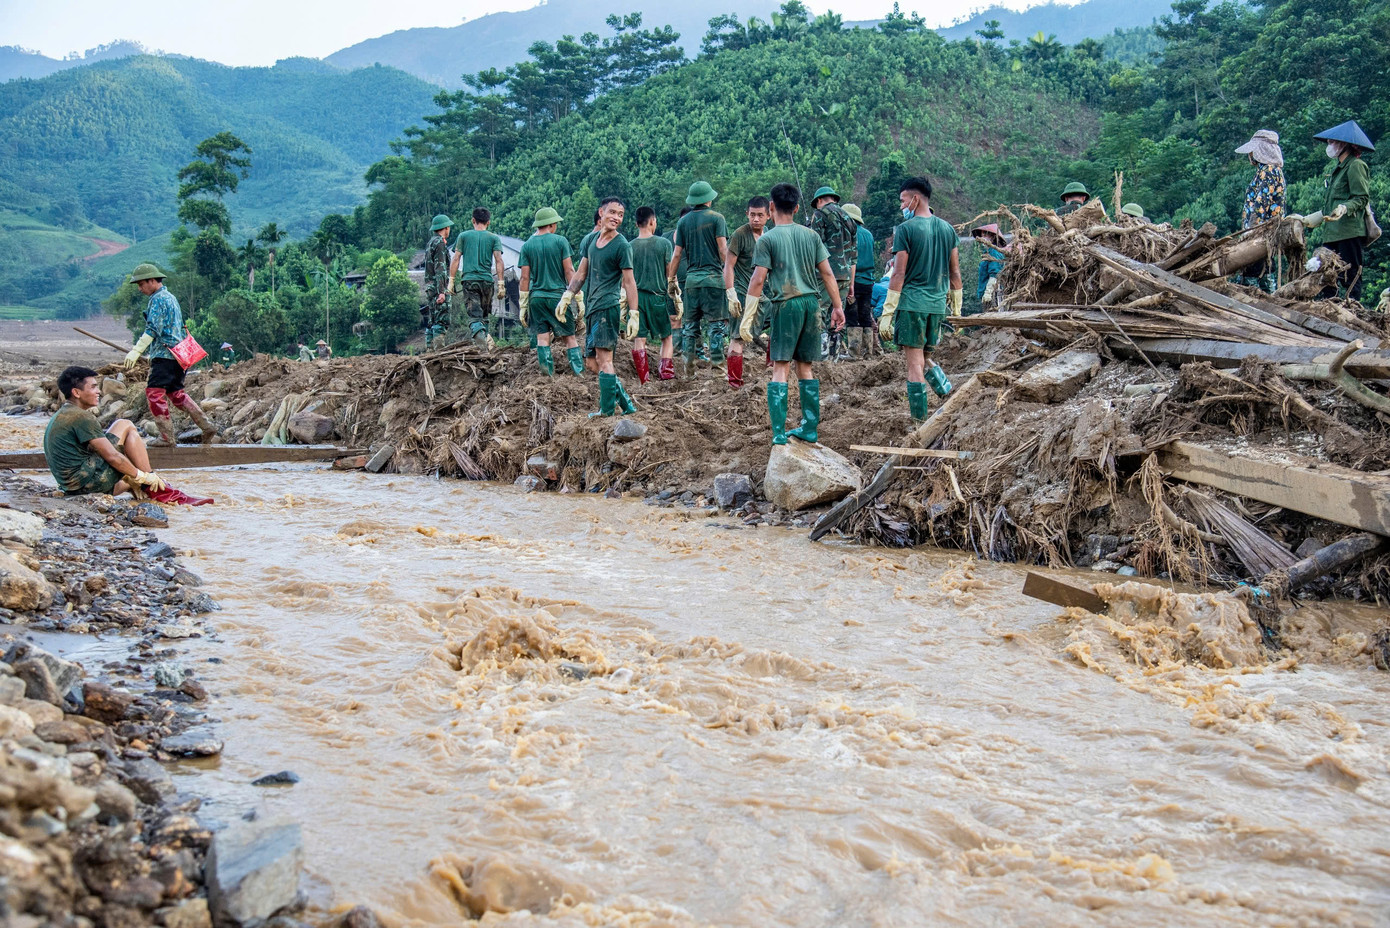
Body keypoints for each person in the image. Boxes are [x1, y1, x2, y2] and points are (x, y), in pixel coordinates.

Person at [739, 182, 844, 445]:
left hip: (785, 305)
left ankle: (778, 433)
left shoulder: (767, 239)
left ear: (771, 207)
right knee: (805, 368)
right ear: (797, 208)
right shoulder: (811, 236)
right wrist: (838, 306)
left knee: (781, 367)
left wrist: (748, 316)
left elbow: (758, 279)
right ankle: (809, 428)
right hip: (811, 304)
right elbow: (828, 273)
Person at [44, 366, 211, 505]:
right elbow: (112, 457)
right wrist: (143, 476)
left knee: (126, 447)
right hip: (87, 484)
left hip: (74, 486)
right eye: (93, 387)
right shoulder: (81, 417)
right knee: (125, 425)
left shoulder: (64, 413)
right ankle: (159, 489)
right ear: (76, 392)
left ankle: (142, 486)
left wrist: (133, 478)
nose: (99, 392)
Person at [878, 177, 962, 422]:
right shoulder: (948, 229)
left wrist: (887, 313)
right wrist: (956, 309)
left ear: (915, 199)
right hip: (937, 306)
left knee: (914, 365)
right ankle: (947, 392)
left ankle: (919, 420)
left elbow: (899, 273)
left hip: (913, 305)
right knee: (924, 357)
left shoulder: (906, 229)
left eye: (903, 201)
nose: (902, 206)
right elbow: (955, 272)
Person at [122, 264, 217, 446]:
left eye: (141, 284)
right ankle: (206, 426)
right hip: (179, 355)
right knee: (176, 394)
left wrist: (136, 351)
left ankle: (166, 438)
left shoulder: (158, 299)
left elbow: (153, 329)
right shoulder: (170, 297)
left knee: (154, 393)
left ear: (152, 281)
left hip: (165, 355)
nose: (140, 289)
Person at [560, 197, 639, 417]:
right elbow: (581, 273)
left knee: (605, 361)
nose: (616, 218)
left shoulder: (622, 245)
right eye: (612, 212)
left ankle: (606, 412)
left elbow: (629, 281)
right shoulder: (591, 240)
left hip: (607, 307)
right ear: (601, 213)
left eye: (621, 215)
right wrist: (568, 295)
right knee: (592, 363)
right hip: (592, 307)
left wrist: (634, 313)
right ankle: (626, 405)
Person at [1306, 120, 1375, 301]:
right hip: (1332, 233)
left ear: (1344, 144)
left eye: (1332, 142)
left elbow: (1361, 197)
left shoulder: (1356, 166)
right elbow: (1330, 204)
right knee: (1328, 275)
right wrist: (1312, 218)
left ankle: (1352, 311)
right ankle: (1330, 307)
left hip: (1349, 231)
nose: (1329, 145)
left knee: (1351, 275)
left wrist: (1345, 207)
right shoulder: (1337, 169)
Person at [668, 182, 729, 379]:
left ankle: (688, 371)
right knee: (716, 326)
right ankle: (718, 369)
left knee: (690, 328)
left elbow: (677, 255)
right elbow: (722, 250)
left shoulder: (683, 223)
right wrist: (730, 275)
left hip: (692, 282)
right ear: (709, 199)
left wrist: (671, 280)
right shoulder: (717, 219)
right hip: (714, 280)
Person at [518, 207, 580, 377]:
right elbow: (569, 271)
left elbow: (524, 278)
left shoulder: (527, 245)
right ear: (552, 224)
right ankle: (579, 374)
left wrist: (523, 305)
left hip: (536, 299)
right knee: (569, 338)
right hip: (557, 298)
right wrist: (578, 296)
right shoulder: (560, 241)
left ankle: (547, 376)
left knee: (542, 338)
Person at [722, 195, 770, 388]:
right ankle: (734, 381)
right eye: (752, 215)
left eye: (760, 215)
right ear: (747, 214)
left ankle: (771, 371)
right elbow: (728, 265)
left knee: (777, 324)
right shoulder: (740, 234)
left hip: (762, 294)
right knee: (737, 337)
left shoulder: (768, 235)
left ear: (768, 215)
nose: (755, 219)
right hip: (741, 293)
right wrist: (730, 292)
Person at [807, 185, 857, 360]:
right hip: (845, 277)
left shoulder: (819, 215)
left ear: (819, 200)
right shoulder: (849, 219)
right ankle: (833, 360)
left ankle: (819, 360)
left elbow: (813, 247)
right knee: (837, 319)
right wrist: (851, 284)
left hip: (825, 276)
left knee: (818, 316)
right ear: (834, 199)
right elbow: (853, 256)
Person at [628, 206, 677, 382]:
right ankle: (666, 373)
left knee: (640, 339)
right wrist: (676, 296)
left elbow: (626, 277)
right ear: (652, 221)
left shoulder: (629, 246)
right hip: (658, 297)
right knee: (667, 337)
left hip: (636, 299)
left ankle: (644, 378)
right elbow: (669, 273)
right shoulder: (663, 244)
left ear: (636, 223)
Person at [1234, 129, 1286, 292]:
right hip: (1266, 237)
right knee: (1264, 274)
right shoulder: (1270, 171)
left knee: (1253, 277)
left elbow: (1259, 207)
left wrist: (1249, 234)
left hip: (1260, 236)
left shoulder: (1269, 172)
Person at [449, 207, 505, 346]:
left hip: (470, 281)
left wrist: (451, 281)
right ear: (488, 222)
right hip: (487, 282)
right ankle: (485, 345)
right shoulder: (494, 238)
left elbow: (456, 259)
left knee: (475, 318)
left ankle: (482, 348)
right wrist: (501, 283)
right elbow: (499, 260)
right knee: (484, 317)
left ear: (473, 220)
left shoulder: (463, 236)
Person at [844, 203, 879, 357]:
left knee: (852, 316)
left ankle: (854, 352)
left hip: (853, 280)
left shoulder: (849, 234)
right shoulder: (869, 235)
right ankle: (868, 352)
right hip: (868, 282)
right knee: (865, 316)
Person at [423, 214, 453, 346]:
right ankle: (439, 353)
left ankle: (429, 350)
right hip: (438, 287)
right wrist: (442, 291)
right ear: (445, 228)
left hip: (430, 287)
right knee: (441, 321)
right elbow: (440, 268)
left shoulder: (430, 243)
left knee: (432, 320)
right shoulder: (440, 243)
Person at [971, 224, 1007, 309]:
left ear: (993, 236)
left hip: (994, 296)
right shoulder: (987, 252)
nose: (983, 237)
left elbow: (995, 274)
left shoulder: (994, 252)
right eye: (982, 234)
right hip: (987, 295)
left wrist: (988, 292)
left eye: (985, 234)